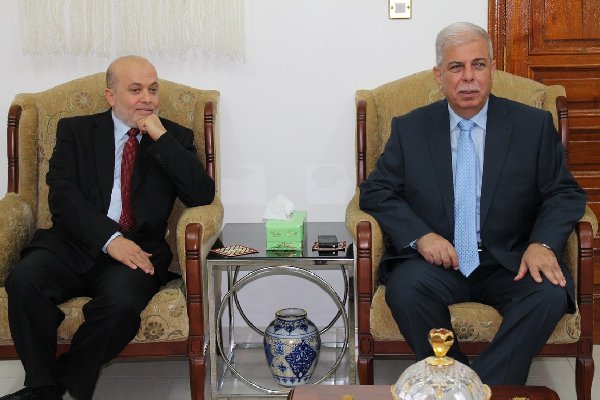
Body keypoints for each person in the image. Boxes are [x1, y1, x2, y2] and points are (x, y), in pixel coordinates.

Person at [359, 22, 586, 384]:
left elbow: (563, 192)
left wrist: (542, 244)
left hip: (509, 259)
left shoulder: (532, 126)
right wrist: (422, 237)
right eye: (456, 67)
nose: (468, 78)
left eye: (478, 65)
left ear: (492, 69)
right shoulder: (411, 129)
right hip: (438, 262)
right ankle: (456, 377)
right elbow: (376, 190)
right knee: (405, 289)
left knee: (549, 294)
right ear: (439, 75)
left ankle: (470, 387)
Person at [2, 56, 215, 400]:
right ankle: (42, 386)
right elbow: (62, 195)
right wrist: (109, 238)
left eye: (153, 89)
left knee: (121, 308)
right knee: (24, 281)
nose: (147, 98)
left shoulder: (173, 137)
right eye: (136, 90)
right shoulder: (75, 131)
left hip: (138, 250)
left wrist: (160, 137)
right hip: (72, 242)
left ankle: (55, 382)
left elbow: (201, 194)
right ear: (110, 96)